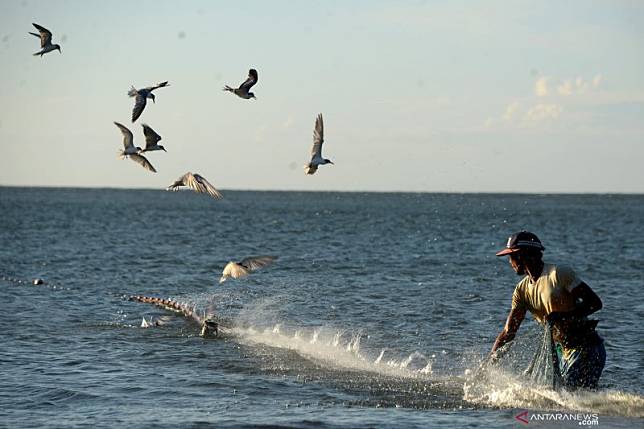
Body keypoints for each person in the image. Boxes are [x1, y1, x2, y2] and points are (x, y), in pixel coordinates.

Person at [491, 231, 606, 390]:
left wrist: (563, 316)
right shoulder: (521, 291)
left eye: (511, 256)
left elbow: (594, 303)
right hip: (561, 351)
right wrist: (491, 360)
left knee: (571, 397)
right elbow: (509, 331)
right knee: (570, 397)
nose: (510, 261)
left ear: (522, 255)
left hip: (586, 347)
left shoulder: (558, 274)